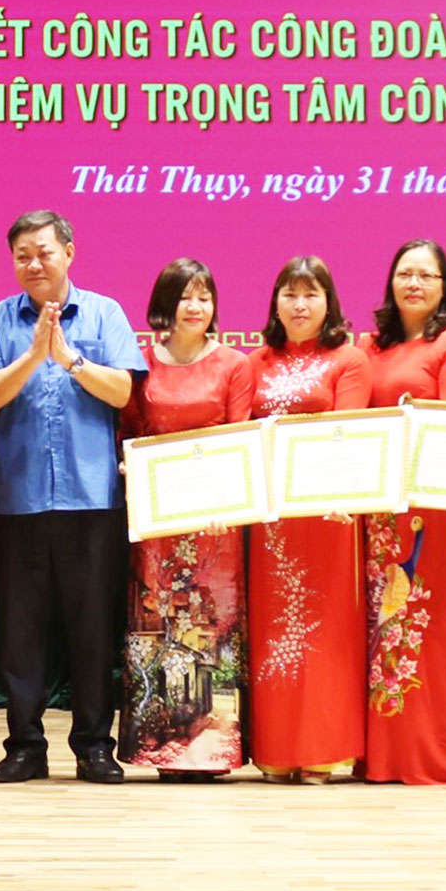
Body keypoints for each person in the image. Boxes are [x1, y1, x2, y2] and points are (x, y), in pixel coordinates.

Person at [0, 210, 140, 784]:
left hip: (90, 499)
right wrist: (33, 355)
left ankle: (94, 746)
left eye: (43, 252)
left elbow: (122, 391)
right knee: (20, 635)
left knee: (91, 632)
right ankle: (25, 746)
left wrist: (69, 358)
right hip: (17, 501)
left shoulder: (104, 312)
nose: (34, 263)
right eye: (22, 255)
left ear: (69, 251)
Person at [118, 257, 252, 780]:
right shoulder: (141, 364)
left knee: (210, 635)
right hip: (158, 528)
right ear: (164, 304)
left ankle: (214, 750)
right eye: (185, 296)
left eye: (204, 296)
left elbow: (240, 438)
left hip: (216, 528)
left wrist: (227, 504)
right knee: (160, 633)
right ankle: (160, 745)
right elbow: (130, 429)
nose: (195, 307)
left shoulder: (235, 365)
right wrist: (128, 460)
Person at [356, 239, 446, 785]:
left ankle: (431, 756)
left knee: (426, 633)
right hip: (380, 512)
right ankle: (383, 757)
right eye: (405, 273)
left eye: (427, 276)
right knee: (383, 631)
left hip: (431, 511)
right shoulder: (369, 346)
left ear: (443, 286)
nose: (414, 283)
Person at [243, 254, 371, 783]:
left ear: (329, 302)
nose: (299, 305)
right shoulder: (255, 362)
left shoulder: (349, 359)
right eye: (290, 294)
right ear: (275, 302)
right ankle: (277, 748)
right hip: (271, 523)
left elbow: (348, 433)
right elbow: (238, 435)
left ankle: (324, 747)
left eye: (310, 294)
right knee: (275, 632)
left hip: (327, 515)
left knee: (325, 632)